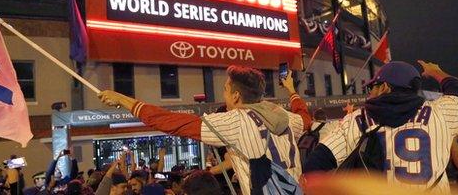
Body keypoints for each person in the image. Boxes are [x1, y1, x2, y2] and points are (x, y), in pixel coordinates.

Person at [99, 65, 312, 195]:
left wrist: (123, 99)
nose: (224, 95)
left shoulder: (235, 121)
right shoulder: (285, 117)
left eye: (226, 89)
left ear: (236, 96)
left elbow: (170, 122)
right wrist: (292, 90)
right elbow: (306, 120)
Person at [304, 60, 458, 193]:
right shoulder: (440, 112)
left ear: (384, 87)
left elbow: (318, 161)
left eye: (372, 87)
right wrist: (436, 72)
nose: (369, 92)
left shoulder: (358, 119)